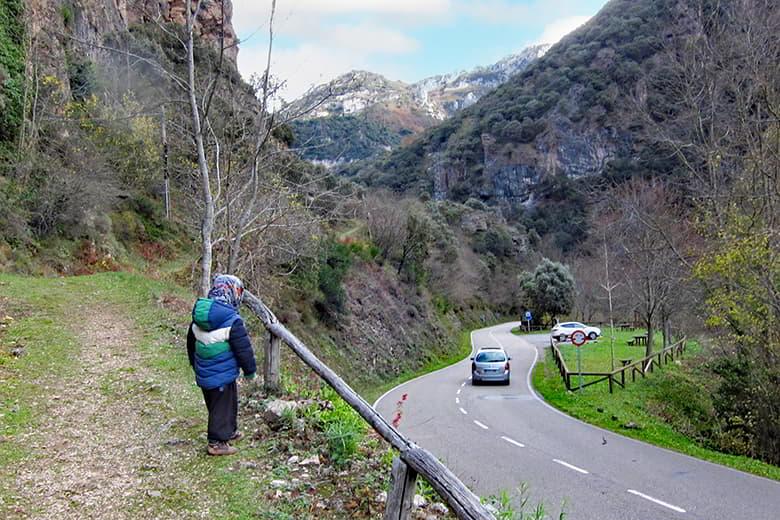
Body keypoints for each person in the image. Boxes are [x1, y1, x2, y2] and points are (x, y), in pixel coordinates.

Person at [187, 274, 257, 456]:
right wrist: (250, 371)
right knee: (222, 407)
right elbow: (243, 349)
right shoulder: (232, 321)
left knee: (222, 404)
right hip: (222, 373)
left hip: (205, 371)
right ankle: (217, 443)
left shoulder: (199, 316)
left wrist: (194, 363)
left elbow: (190, 342)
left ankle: (229, 431)